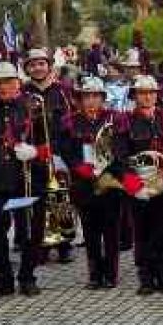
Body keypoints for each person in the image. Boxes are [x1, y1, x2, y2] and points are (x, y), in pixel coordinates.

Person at [113, 74, 163, 296]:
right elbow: (120, 157)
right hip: (139, 186)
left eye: (152, 92)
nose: (148, 96)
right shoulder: (124, 121)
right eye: (143, 93)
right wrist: (133, 186)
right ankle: (146, 276)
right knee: (141, 231)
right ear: (135, 96)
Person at [58, 77, 123, 289]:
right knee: (90, 231)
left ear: (103, 98)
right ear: (80, 99)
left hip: (109, 180)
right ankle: (95, 273)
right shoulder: (70, 121)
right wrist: (78, 167)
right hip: (83, 182)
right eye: (87, 96)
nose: (91, 101)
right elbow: (66, 149)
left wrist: (110, 170)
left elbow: (122, 148)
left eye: (96, 96)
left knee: (111, 230)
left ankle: (111, 274)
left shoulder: (115, 119)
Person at [0, 61, 48, 297]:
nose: (3, 87)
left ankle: (27, 276)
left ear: (18, 82)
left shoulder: (33, 105)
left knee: (29, 230)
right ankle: (3, 278)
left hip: (27, 177)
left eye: (8, 81)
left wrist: (35, 152)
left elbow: (48, 144)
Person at [22, 47, 76, 262]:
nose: (37, 68)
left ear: (49, 66)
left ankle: (63, 244)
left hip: (59, 151)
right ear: (27, 68)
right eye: (32, 65)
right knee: (39, 200)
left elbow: (72, 120)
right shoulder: (23, 92)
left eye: (41, 63)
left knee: (60, 197)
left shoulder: (62, 90)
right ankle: (41, 244)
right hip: (32, 154)